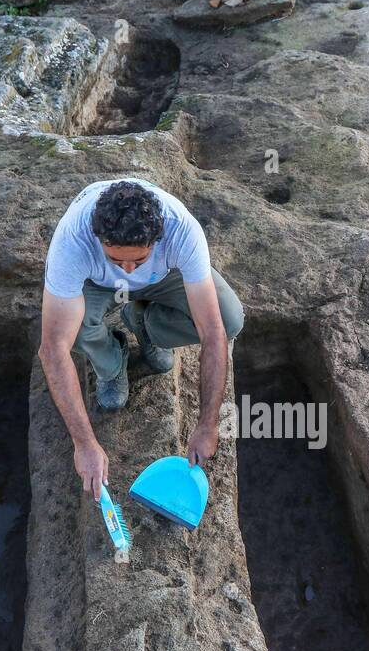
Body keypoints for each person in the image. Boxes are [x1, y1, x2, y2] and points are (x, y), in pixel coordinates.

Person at [38, 178, 244, 495]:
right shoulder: (73, 242)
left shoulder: (181, 230)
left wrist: (208, 424)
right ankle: (111, 363)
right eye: (117, 260)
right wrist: (84, 443)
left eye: (139, 259)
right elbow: (52, 350)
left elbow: (213, 332)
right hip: (97, 283)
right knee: (73, 332)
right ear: (98, 239)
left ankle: (142, 323)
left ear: (158, 237)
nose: (129, 270)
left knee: (230, 319)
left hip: (163, 277)